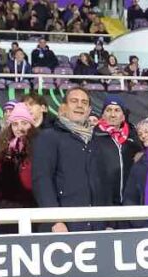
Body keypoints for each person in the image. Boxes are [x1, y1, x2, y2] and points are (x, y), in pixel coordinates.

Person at [32, 86, 104, 232]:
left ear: (89, 110)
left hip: (96, 226)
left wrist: (109, 222)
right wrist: (55, 221)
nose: (79, 105)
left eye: (84, 102)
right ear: (63, 107)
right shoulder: (49, 137)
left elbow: (103, 183)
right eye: (74, 101)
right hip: (64, 226)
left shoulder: (96, 140)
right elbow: (42, 180)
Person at [93, 96, 142, 207]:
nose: (113, 115)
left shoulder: (133, 139)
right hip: (103, 202)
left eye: (117, 110)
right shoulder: (93, 136)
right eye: (108, 110)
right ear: (103, 115)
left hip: (129, 202)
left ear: (123, 116)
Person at [0, 102, 39, 212]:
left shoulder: (39, 147)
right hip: (8, 206)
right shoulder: (3, 149)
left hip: (33, 205)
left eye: (24, 123)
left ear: (31, 125)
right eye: (15, 124)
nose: (19, 128)